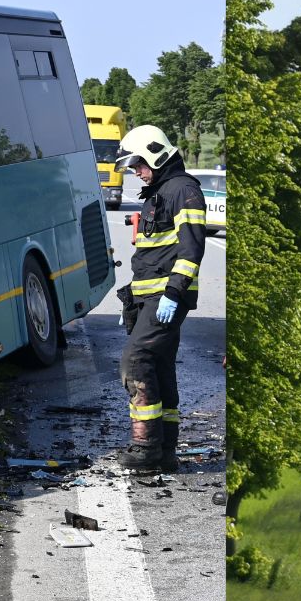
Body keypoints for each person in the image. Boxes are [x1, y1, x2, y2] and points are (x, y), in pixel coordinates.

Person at [114, 125, 208, 472]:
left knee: (135, 363)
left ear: (155, 153)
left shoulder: (183, 190)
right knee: (159, 368)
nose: (136, 172)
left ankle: (145, 448)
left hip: (166, 299)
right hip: (150, 300)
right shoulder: (162, 191)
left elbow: (192, 247)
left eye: (138, 164)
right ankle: (165, 452)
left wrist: (173, 293)